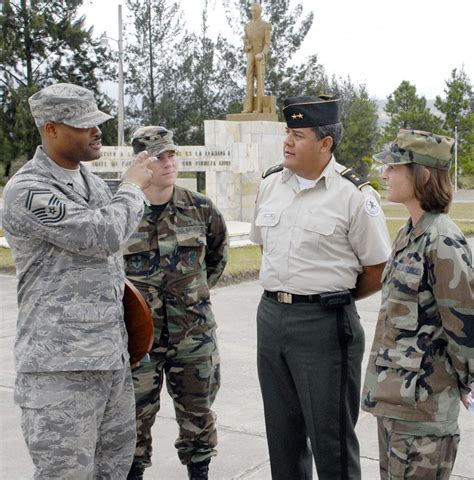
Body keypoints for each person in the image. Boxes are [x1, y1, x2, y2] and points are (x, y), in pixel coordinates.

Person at [2, 83, 155, 478]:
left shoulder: (90, 183)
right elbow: (102, 234)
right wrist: (134, 186)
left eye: (96, 122)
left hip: (110, 363)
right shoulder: (29, 189)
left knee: (113, 472)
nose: (95, 131)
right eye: (83, 124)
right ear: (51, 129)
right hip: (60, 371)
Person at [249, 94, 392, 479]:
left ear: (325, 143)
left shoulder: (355, 195)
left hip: (325, 326)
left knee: (331, 443)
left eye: (297, 134)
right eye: (286, 132)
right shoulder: (270, 185)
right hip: (272, 318)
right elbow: (265, 246)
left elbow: (377, 269)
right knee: (283, 439)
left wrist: (330, 296)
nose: (287, 142)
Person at [361, 129, 474, 479]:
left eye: (394, 167)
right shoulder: (409, 234)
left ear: (421, 175)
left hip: (424, 412)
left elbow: (465, 327)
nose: (385, 174)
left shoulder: (443, 241)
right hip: (396, 403)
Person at [124, 126, 228, 480]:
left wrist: (190, 298)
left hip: (193, 338)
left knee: (198, 419)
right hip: (139, 341)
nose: (167, 163)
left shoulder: (200, 208)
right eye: (157, 157)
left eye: (171, 155)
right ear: (140, 162)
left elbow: (216, 258)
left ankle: (200, 474)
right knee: (132, 422)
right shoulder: (123, 213)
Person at [242, 2, 272, 114]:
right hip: (250, 54)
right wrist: (246, 46)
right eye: (251, 11)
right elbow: (245, 41)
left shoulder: (266, 25)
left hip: (260, 55)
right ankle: (248, 107)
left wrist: (263, 54)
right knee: (248, 79)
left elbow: (267, 43)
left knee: (260, 81)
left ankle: (258, 108)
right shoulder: (247, 26)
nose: (252, 13)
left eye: (254, 11)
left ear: (259, 11)